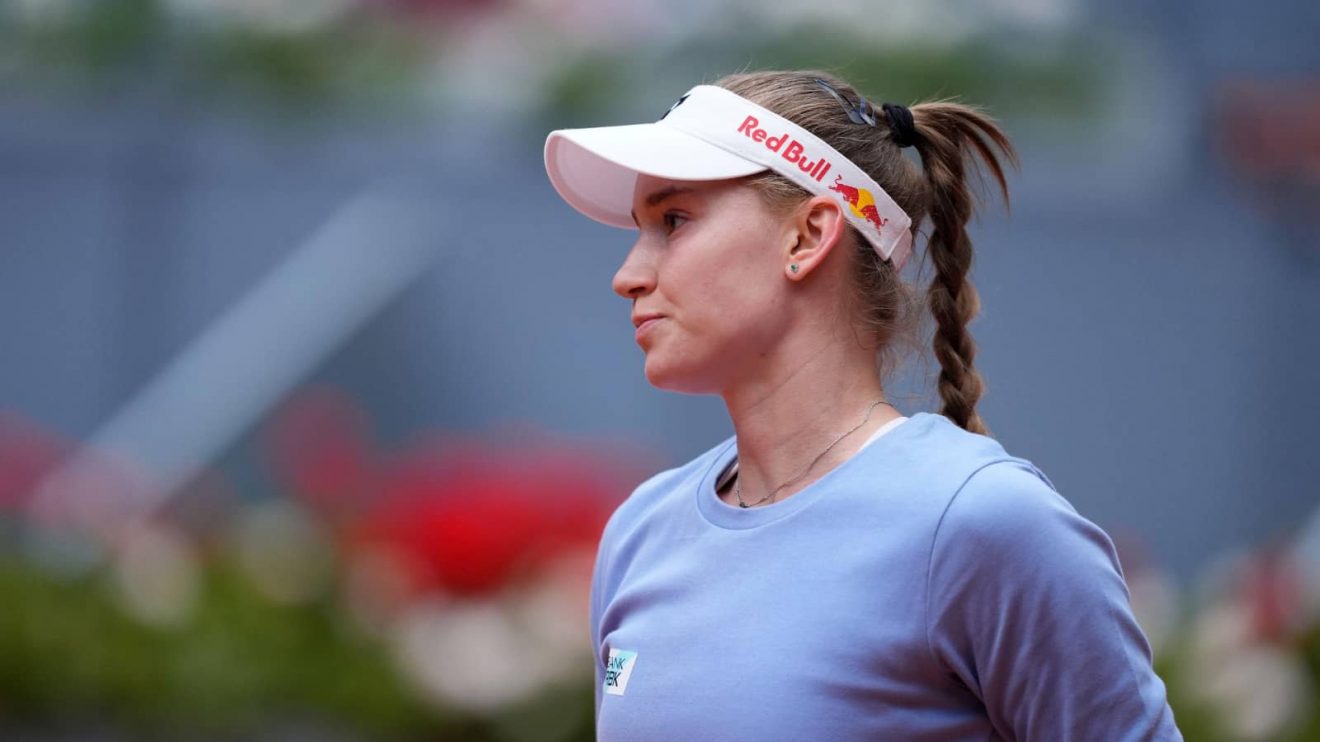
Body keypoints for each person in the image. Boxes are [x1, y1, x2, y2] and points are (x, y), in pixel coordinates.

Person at [543, 70, 1182, 741]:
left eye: (674, 221)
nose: (626, 276)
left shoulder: (985, 522)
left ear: (806, 236)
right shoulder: (641, 531)